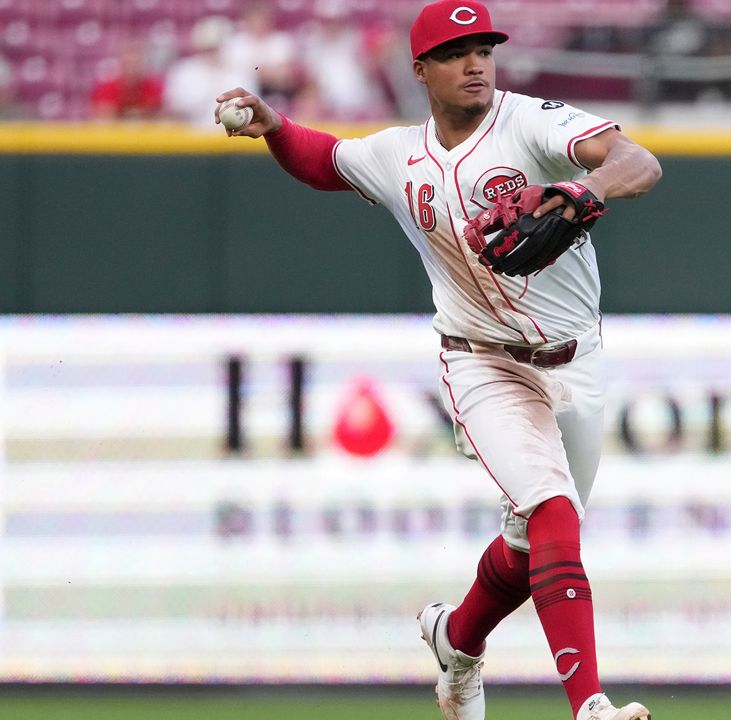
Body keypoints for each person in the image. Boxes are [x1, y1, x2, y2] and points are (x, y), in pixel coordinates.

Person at [213, 2, 662, 719]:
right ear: (420, 70)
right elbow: (326, 161)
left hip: (577, 363)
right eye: (456, 52)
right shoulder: (400, 155)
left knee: (528, 545)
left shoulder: (534, 121)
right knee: (552, 511)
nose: (476, 62)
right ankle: (590, 705)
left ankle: (455, 639)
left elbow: (639, 160)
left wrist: (588, 187)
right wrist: (275, 128)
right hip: (482, 362)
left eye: (484, 47)